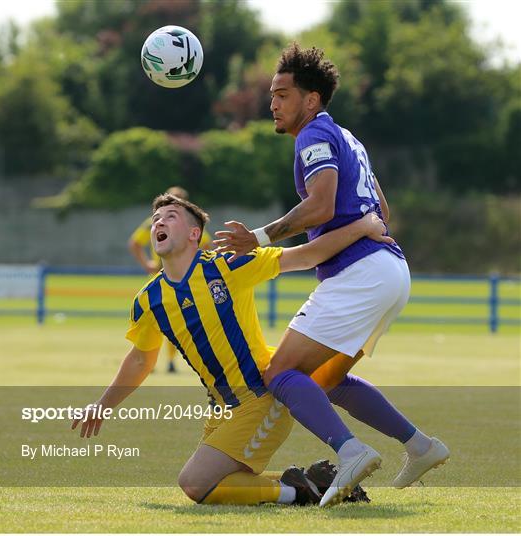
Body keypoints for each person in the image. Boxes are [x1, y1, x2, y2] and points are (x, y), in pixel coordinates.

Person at [214, 43, 449, 507]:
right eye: (272, 95)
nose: (273, 103)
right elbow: (381, 210)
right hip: (390, 271)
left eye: (283, 94)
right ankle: (420, 445)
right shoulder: (350, 138)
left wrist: (260, 236)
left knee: (280, 373)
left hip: (359, 274)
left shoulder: (311, 136)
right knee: (324, 379)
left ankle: (350, 452)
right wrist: (363, 229)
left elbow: (321, 205)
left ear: (312, 99)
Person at [73, 193, 390, 506]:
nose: (159, 221)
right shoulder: (148, 298)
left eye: (170, 216)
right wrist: (102, 405)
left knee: (195, 484)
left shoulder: (227, 266)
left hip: (260, 397)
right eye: (156, 218)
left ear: (194, 234)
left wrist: (362, 227)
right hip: (222, 408)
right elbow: (141, 359)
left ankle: (305, 493)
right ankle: (312, 482)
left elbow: (306, 256)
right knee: (216, 485)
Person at [128, 186, 212, 373]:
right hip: (163, 276)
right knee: (163, 320)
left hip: (178, 278)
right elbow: (134, 243)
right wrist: (147, 264)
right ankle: (156, 361)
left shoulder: (185, 224)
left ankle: (161, 361)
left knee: (169, 320)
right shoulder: (156, 222)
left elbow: (206, 244)